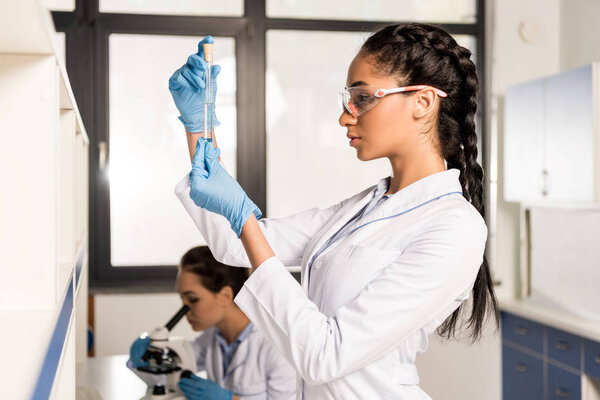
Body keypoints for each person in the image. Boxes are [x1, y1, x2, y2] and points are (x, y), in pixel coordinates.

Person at [169, 24, 499, 399]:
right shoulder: (365, 207)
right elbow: (236, 245)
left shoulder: (454, 227)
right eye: (348, 99)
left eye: (362, 97)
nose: (346, 116)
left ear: (422, 102)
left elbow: (326, 356)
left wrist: (244, 216)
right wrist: (200, 127)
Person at [128, 246, 297, 400]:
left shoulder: (276, 345)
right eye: (182, 299)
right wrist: (146, 355)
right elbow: (165, 376)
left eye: (193, 299)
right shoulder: (212, 338)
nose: (185, 310)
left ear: (225, 296)